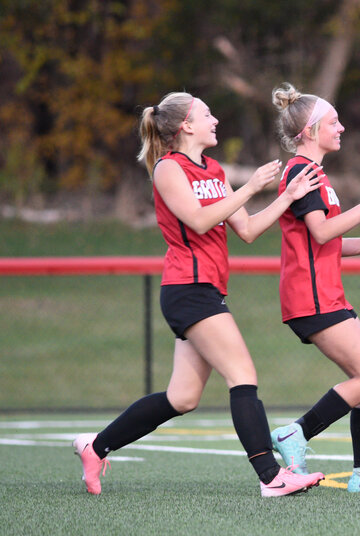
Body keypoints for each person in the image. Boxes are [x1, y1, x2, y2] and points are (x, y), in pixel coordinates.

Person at [72, 91, 325, 498]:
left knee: (183, 397)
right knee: (242, 375)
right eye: (207, 115)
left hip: (205, 289)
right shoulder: (168, 169)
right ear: (186, 125)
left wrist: (286, 197)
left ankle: (95, 446)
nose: (215, 121)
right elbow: (200, 220)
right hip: (188, 289)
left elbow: (246, 230)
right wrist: (250, 187)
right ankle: (271, 476)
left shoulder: (214, 168)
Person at [268, 83, 360, 493]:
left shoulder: (314, 173)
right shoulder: (302, 171)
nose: (342, 127)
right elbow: (321, 233)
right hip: (311, 297)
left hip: (324, 294)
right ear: (311, 131)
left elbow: (330, 241)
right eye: (334, 122)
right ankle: (296, 432)